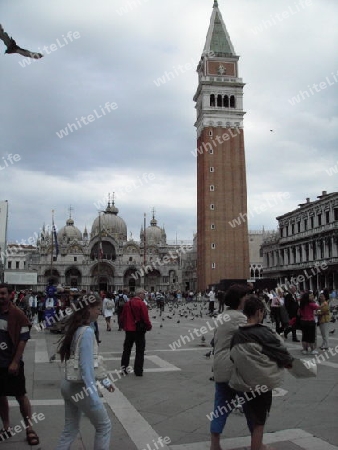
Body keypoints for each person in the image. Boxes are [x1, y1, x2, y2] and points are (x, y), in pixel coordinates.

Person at [230, 296, 293, 450]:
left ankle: (257, 446)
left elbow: (233, 357)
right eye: (263, 312)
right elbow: (282, 353)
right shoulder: (265, 333)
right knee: (259, 423)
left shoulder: (237, 334)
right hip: (261, 384)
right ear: (258, 312)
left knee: (254, 418)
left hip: (243, 385)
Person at [56, 294, 113, 450]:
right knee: (104, 426)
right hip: (81, 387)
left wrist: (104, 380)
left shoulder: (76, 328)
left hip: (68, 384)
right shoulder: (87, 332)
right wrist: (93, 395)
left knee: (70, 430)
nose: (99, 313)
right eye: (97, 309)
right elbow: (86, 366)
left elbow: (89, 363)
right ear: (88, 309)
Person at [209, 284, 252, 450]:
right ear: (239, 299)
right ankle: (257, 443)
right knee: (251, 407)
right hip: (235, 368)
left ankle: (215, 444)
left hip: (220, 366)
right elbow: (255, 332)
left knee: (220, 407)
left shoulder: (222, 315)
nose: (247, 299)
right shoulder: (238, 317)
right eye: (245, 296)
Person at [0, 283, 40, 445]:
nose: (0, 297)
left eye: (3, 294)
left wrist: (15, 361)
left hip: (11, 362)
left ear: (10, 295)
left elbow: (23, 339)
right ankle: (6, 427)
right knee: (0, 396)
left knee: (20, 395)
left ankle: (29, 428)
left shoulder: (18, 314)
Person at [120, 289, 152, 376]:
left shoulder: (128, 303)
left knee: (126, 350)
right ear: (140, 294)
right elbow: (145, 318)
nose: (145, 296)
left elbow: (122, 317)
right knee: (140, 351)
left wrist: (124, 326)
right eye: (144, 294)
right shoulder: (141, 304)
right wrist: (149, 326)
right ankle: (138, 371)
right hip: (139, 330)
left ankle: (124, 370)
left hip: (129, 330)